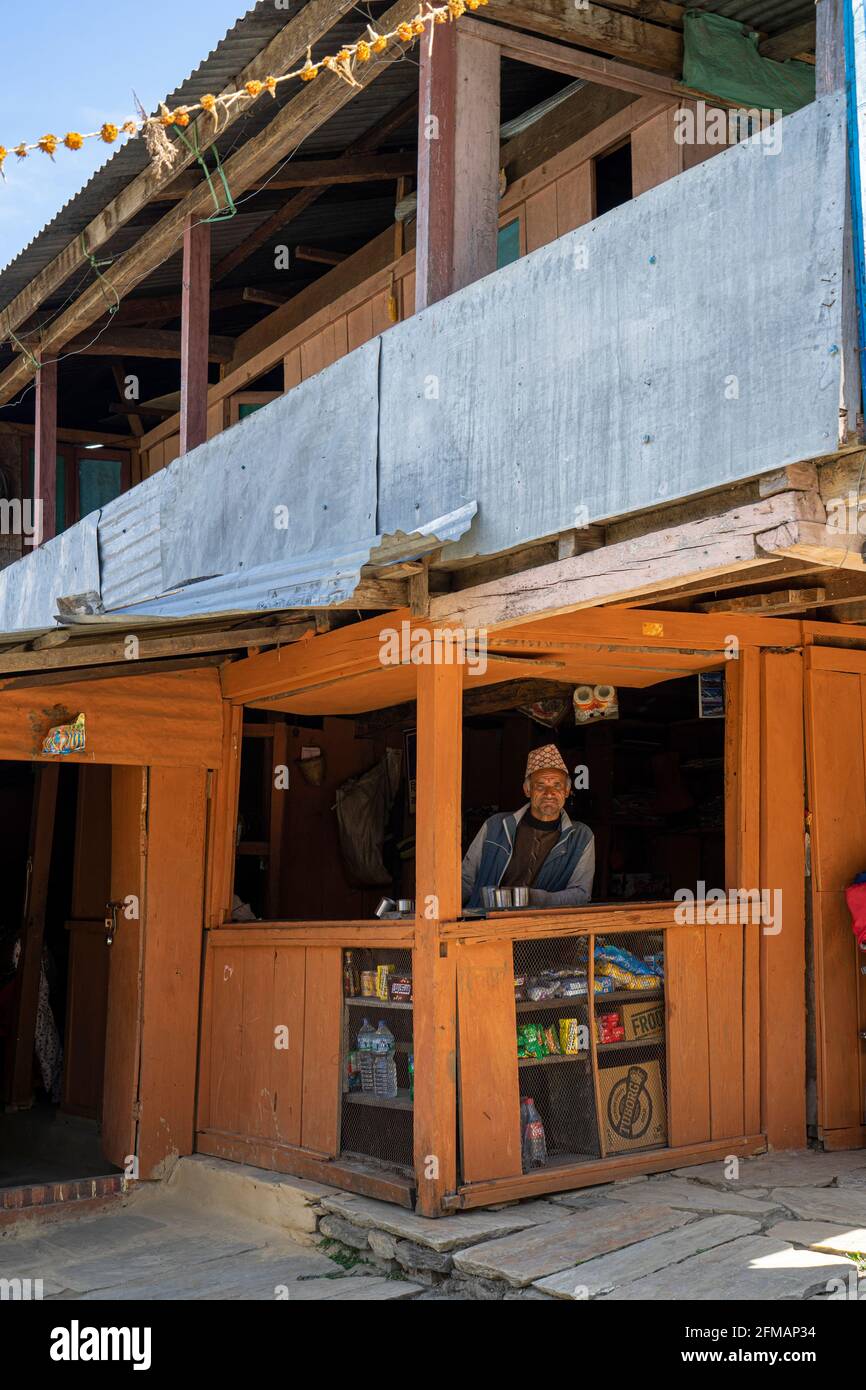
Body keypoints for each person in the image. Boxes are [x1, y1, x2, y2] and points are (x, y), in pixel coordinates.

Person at [461, 744, 594, 910]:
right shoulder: (495, 826)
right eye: (540, 785)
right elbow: (466, 880)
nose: (550, 792)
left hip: (539, 929)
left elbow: (581, 894)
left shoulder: (581, 836)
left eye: (557, 785)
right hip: (487, 924)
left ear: (567, 791)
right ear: (527, 790)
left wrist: (534, 898)